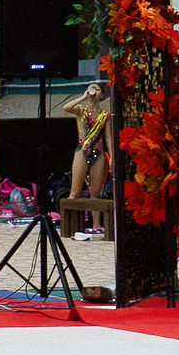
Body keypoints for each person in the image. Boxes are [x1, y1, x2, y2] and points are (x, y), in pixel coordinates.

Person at [67, 80, 113, 238]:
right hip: (82, 150)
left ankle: (96, 224)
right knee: (75, 191)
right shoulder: (81, 110)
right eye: (90, 88)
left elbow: (108, 137)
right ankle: (70, 223)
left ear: (101, 95)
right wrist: (82, 97)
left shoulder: (104, 115)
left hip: (98, 152)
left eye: (97, 89)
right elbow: (66, 108)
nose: (93, 91)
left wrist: (111, 157)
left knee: (95, 192)